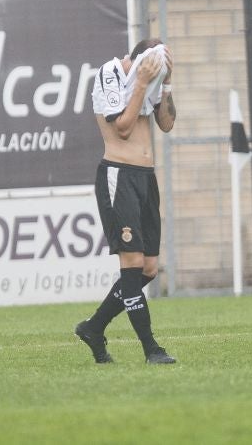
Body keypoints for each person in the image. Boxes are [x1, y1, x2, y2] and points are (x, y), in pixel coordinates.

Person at [76, 39, 177, 365]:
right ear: (141, 59)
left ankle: (94, 328)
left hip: (145, 179)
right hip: (118, 176)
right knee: (132, 265)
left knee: (148, 268)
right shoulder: (111, 72)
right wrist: (144, 82)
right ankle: (151, 349)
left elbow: (166, 123)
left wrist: (166, 84)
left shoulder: (149, 82)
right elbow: (121, 127)